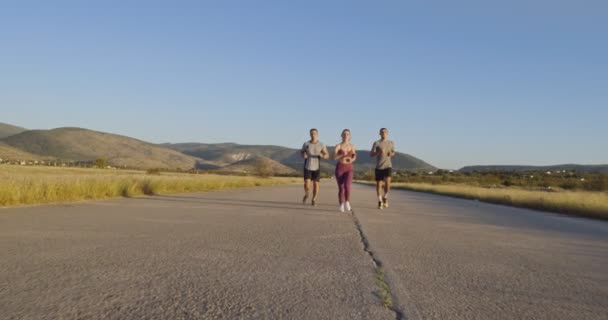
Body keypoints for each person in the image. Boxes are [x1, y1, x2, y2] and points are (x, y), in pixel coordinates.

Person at [301, 128, 329, 206]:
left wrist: (323, 155)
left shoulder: (321, 144)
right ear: (310, 134)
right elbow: (302, 152)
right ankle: (306, 194)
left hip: (316, 167)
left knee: (316, 185)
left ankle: (314, 199)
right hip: (307, 166)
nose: (313, 134)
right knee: (307, 184)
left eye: (314, 133)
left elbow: (327, 155)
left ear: (317, 134)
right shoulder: (306, 144)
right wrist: (303, 154)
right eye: (312, 133)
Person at [370, 128, 395, 209]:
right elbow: (371, 154)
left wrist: (391, 154)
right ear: (379, 133)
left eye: (385, 132)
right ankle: (380, 201)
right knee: (379, 185)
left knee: (388, 183)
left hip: (388, 166)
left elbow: (393, 152)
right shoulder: (376, 143)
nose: (383, 133)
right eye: (382, 132)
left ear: (387, 133)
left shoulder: (391, 143)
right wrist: (378, 152)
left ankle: (385, 197)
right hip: (379, 167)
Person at [333, 129, 357, 212]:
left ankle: (347, 202)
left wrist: (351, 159)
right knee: (341, 188)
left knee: (347, 186)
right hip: (340, 168)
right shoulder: (338, 146)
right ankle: (341, 204)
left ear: (350, 136)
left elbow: (354, 156)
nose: (346, 135)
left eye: (348, 134)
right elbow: (334, 157)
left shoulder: (352, 146)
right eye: (344, 134)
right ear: (341, 135)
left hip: (349, 168)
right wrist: (341, 155)